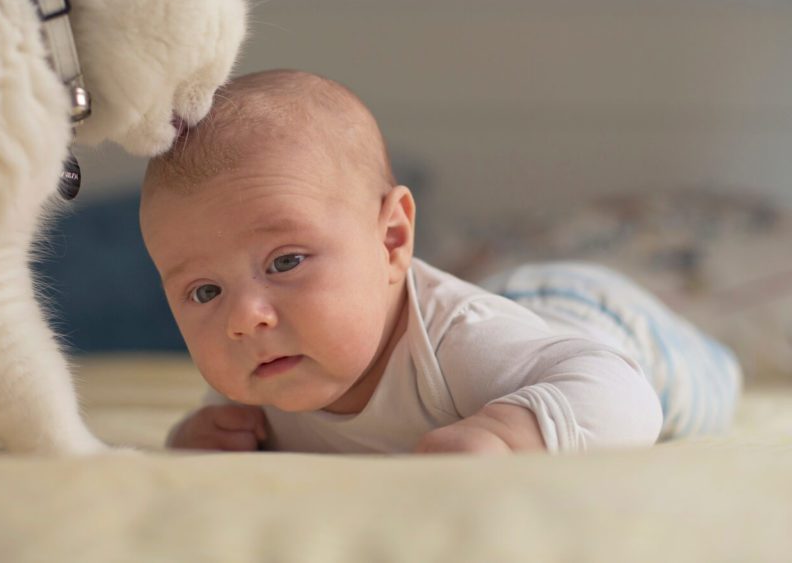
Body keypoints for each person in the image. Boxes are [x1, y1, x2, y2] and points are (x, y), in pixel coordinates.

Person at [139, 69, 742, 454]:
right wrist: (194, 437)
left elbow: (624, 397)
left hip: (593, 320)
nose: (244, 317)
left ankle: (723, 346)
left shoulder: (461, 345)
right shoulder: (261, 372)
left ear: (393, 240)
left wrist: (512, 435)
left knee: (706, 394)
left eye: (286, 260)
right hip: (506, 311)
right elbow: (216, 420)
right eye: (204, 293)